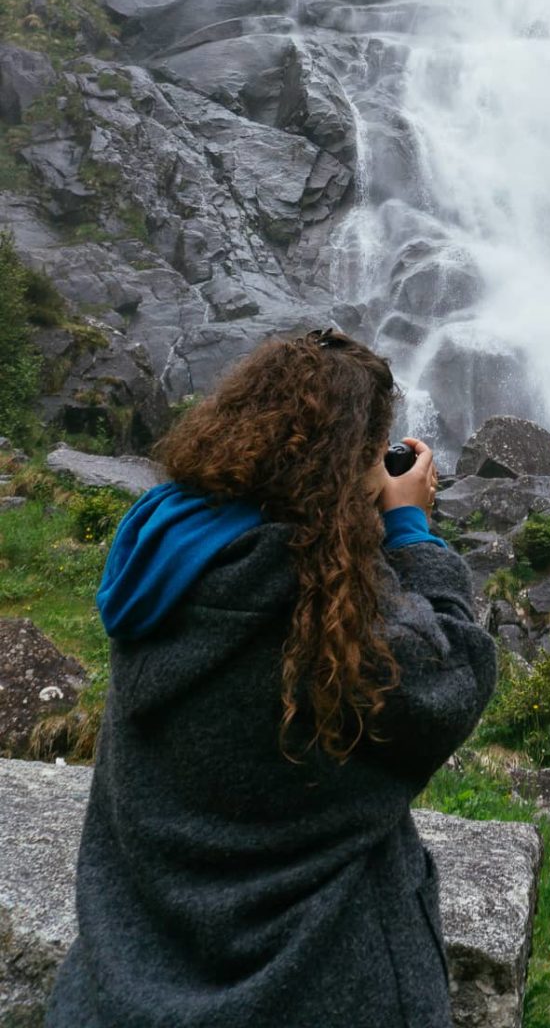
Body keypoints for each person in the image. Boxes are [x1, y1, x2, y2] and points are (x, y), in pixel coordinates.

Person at [46, 325, 499, 1028]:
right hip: (320, 991)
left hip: (124, 989)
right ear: (354, 464)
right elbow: (453, 677)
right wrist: (409, 527)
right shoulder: (329, 611)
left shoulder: (163, 562)